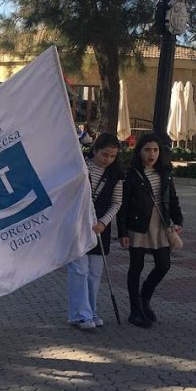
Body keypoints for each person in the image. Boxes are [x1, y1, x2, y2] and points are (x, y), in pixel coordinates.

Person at [119, 134, 183, 328]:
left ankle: (144, 297)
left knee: (164, 265)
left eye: (155, 150)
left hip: (160, 225)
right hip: (138, 226)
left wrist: (178, 220)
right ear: (139, 152)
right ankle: (135, 311)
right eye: (147, 150)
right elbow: (122, 206)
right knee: (136, 268)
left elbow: (172, 198)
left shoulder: (165, 172)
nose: (151, 154)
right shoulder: (132, 175)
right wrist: (122, 232)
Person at [66, 133, 124, 330]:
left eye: (112, 156)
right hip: (78, 226)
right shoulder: (80, 167)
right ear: (95, 150)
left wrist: (103, 222)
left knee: (94, 273)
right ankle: (79, 314)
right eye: (104, 155)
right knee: (79, 270)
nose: (108, 160)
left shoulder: (115, 175)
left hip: (100, 228)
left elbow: (116, 203)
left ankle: (91, 310)